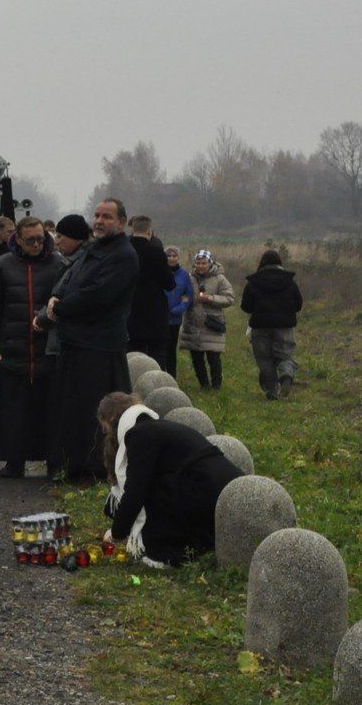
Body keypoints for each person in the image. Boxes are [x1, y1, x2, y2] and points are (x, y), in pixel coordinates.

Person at [40, 201, 138, 483]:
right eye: (96, 216)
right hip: (77, 342)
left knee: (96, 413)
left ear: (121, 222)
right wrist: (57, 298)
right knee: (73, 410)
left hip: (100, 345)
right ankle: (73, 463)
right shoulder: (95, 250)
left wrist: (60, 307)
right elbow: (71, 280)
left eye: (106, 217)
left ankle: (94, 468)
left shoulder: (123, 255)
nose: (99, 221)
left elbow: (97, 294)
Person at [99, 391, 242, 567]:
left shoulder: (140, 435)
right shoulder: (155, 427)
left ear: (113, 421)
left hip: (206, 488)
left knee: (154, 494)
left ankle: (168, 553)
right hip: (222, 485)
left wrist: (116, 533)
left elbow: (136, 490)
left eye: (106, 430)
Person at [0, 217, 60, 478]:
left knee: (48, 409)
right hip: (13, 346)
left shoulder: (57, 263)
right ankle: (14, 461)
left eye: (41, 238)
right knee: (14, 410)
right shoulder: (4, 265)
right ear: (17, 238)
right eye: (31, 241)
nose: (37, 244)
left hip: (46, 347)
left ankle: (54, 462)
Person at [240, 249, 303, 401]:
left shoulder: (254, 282)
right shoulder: (289, 282)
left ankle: (272, 390)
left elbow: (246, 306)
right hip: (284, 326)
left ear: (262, 263)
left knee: (264, 358)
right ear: (279, 262)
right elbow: (298, 304)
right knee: (285, 354)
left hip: (260, 326)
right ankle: (286, 374)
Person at [178, 250, 235, 391]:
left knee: (213, 358)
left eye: (204, 263)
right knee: (196, 358)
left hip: (212, 324)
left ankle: (216, 386)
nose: (201, 266)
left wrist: (211, 298)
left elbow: (229, 298)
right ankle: (204, 385)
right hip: (193, 323)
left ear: (210, 263)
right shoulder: (189, 278)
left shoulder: (219, 279)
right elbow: (182, 294)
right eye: (198, 263)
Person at [125, 215, 177, 367]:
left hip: (129, 310)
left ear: (132, 228)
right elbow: (169, 283)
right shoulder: (156, 252)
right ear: (149, 231)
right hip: (154, 312)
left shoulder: (123, 250)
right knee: (157, 355)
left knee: (131, 354)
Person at [164, 247, 194, 377]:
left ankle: (171, 376)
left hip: (174, 319)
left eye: (174, 255)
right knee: (158, 349)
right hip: (158, 317)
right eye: (168, 255)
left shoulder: (184, 275)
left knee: (171, 350)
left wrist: (178, 309)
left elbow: (187, 296)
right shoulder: (160, 272)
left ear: (178, 257)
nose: (171, 258)